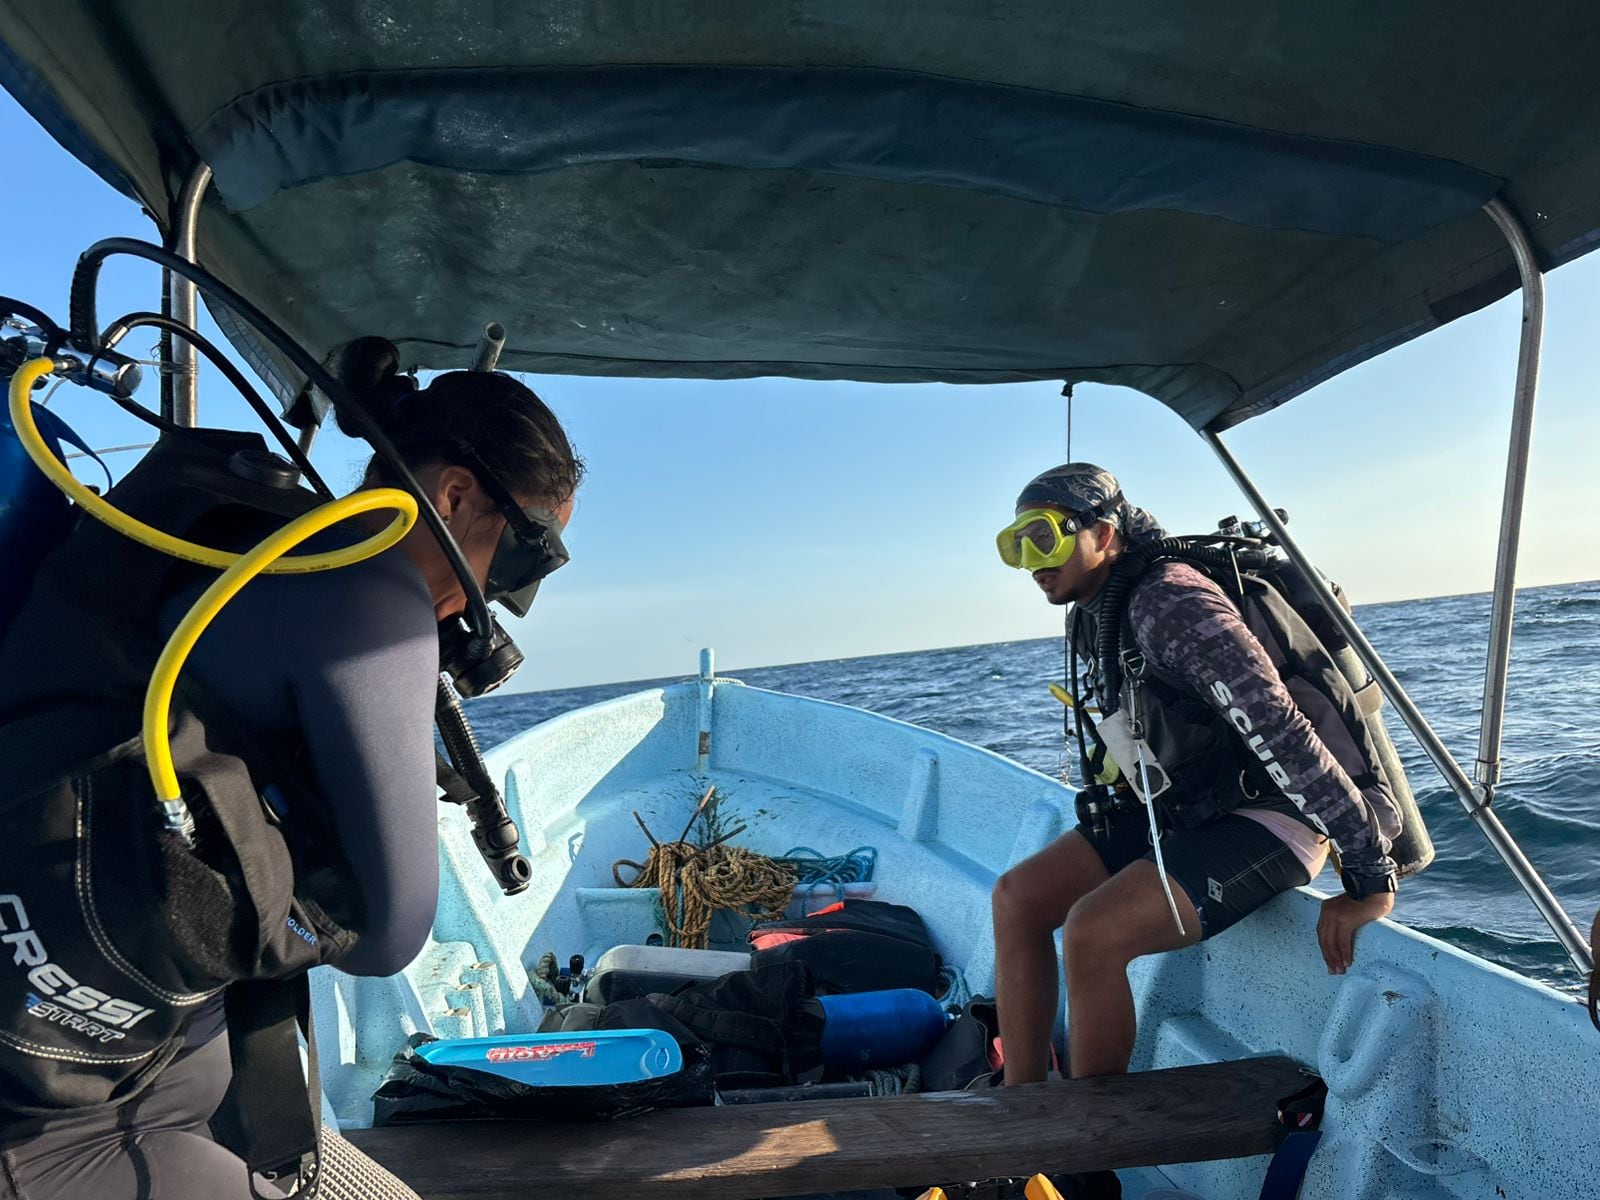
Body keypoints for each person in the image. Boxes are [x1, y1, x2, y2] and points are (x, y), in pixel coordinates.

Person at [0, 352, 582, 1199]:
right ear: (454, 495)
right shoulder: (370, 591)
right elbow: (390, 936)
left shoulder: (232, 525)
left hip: (146, 1070)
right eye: (526, 561)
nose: (495, 603)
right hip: (70, 1129)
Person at [989, 463, 1399, 1090]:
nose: (1031, 562)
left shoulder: (1171, 603)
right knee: (1017, 900)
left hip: (1279, 810)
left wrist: (1370, 871)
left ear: (1105, 532)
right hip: (1189, 801)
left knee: (1092, 934)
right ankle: (1020, 1117)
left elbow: (1282, 731)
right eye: (1014, 545)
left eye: (1043, 537)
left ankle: (1086, 1162)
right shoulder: (1094, 610)